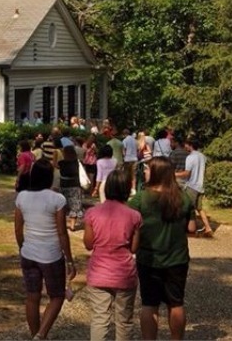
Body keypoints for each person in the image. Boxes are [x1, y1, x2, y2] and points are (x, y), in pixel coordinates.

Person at [128, 157, 196, 340]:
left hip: (149, 259)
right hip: (177, 258)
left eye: (148, 169)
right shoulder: (184, 197)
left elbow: (127, 224)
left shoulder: (140, 198)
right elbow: (191, 228)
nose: (145, 172)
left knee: (149, 304)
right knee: (176, 303)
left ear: (157, 173)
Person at [14, 159, 77, 341]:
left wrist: (22, 247)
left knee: (32, 297)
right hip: (50, 255)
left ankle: (35, 334)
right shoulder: (57, 199)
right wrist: (70, 260)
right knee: (57, 296)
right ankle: (41, 335)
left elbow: (18, 228)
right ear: (50, 177)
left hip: (29, 253)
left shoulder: (22, 197)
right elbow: (62, 233)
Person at [83, 170, 142, 341]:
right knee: (124, 321)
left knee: (100, 320)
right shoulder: (134, 215)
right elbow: (134, 248)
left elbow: (88, 244)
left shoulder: (93, 213)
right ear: (127, 189)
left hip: (99, 272)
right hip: (124, 273)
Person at [177, 136, 214, 237]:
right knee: (199, 208)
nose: (185, 146)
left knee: (186, 207)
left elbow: (187, 174)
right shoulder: (203, 156)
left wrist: (173, 174)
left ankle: (183, 229)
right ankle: (208, 227)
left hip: (192, 186)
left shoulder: (190, 157)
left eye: (186, 144)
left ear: (190, 145)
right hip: (200, 186)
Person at [58, 145, 84, 231]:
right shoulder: (77, 162)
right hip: (75, 186)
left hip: (64, 186)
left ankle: (62, 224)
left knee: (63, 206)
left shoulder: (61, 163)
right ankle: (73, 225)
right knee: (75, 206)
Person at [121, 129, 138, 193]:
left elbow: (123, 151)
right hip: (135, 159)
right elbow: (138, 149)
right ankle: (133, 189)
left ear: (124, 134)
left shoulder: (124, 140)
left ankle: (127, 188)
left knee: (126, 175)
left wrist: (123, 157)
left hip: (127, 160)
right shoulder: (135, 140)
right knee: (133, 174)